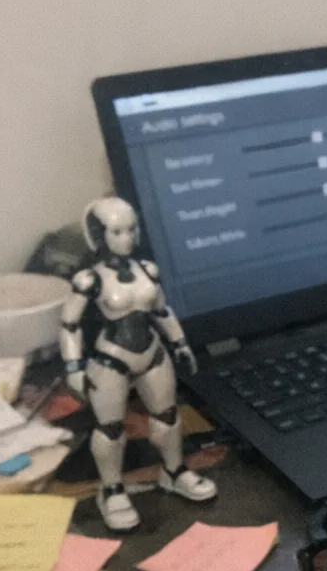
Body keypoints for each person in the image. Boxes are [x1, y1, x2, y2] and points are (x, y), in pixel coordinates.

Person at [60, 197, 217, 531]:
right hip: (111, 357)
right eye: (117, 231)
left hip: (152, 353)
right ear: (100, 236)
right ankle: (112, 488)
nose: (127, 237)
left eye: (131, 229)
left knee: (167, 416)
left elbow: (161, 311)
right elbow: (70, 325)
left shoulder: (147, 270)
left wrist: (180, 343)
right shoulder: (90, 279)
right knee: (110, 427)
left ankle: (174, 471)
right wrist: (73, 367)